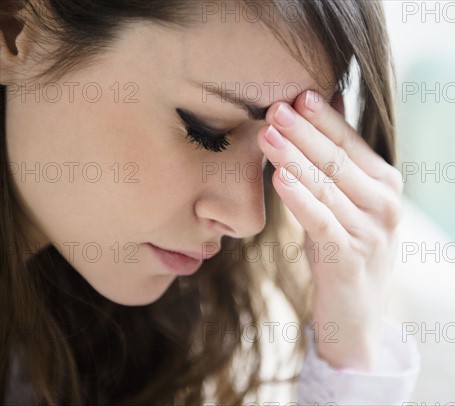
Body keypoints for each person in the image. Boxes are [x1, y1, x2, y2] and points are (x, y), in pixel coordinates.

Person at [0, 0, 420, 403]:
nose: (247, 219)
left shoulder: (99, 339)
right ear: (14, 25)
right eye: (206, 131)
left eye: (272, 162)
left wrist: (350, 352)